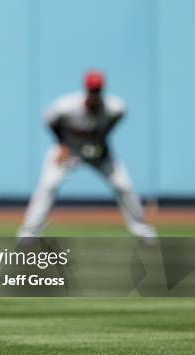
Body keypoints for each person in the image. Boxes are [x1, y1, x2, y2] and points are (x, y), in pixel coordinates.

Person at [17, 70, 157, 242]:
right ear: (86, 89)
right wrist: (61, 143)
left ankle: (142, 230)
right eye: (92, 89)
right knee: (48, 185)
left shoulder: (115, 107)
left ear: (102, 90)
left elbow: (114, 121)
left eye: (97, 90)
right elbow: (49, 119)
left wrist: (103, 140)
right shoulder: (66, 106)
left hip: (98, 151)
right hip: (69, 150)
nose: (94, 93)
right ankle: (29, 232)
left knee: (124, 186)